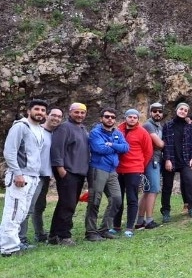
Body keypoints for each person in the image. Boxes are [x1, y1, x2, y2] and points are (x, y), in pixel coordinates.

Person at [2, 99, 49, 256]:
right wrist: (17, 173)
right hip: (20, 176)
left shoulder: (40, 130)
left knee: (22, 212)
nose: (40, 112)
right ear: (29, 111)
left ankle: (15, 243)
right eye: (37, 109)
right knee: (13, 212)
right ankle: (8, 248)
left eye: (43, 110)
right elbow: (10, 152)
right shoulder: (20, 127)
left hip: (33, 176)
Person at [49, 102, 90, 245]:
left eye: (82, 113)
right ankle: (64, 236)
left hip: (79, 172)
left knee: (64, 203)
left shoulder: (83, 129)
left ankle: (54, 235)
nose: (79, 115)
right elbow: (57, 148)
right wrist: (60, 169)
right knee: (68, 204)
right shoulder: (64, 128)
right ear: (70, 112)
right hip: (68, 172)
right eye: (76, 112)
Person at [85, 108, 129, 241]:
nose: (110, 119)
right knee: (94, 201)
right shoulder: (95, 133)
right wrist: (116, 146)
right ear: (101, 118)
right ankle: (91, 232)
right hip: (98, 169)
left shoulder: (117, 132)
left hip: (112, 171)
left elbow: (126, 148)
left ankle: (104, 229)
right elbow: (99, 148)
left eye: (113, 117)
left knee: (117, 199)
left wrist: (111, 144)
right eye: (107, 116)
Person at [22, 107, 60, 245]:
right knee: (28, 207)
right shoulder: (36, 130)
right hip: (33, 175)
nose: (56, 118)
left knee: (40, 207)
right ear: (47, 115)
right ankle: (21, 238)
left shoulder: (54, 134)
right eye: (53, 115)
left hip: (45, 175)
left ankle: (40, 234)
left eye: (59, 117)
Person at [113, 109, 152, 237]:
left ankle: (129, 227)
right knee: (117, 198)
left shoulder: (142, 132)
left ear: (138, 119)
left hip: (134, 170)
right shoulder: (118, 130)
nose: (132, 119)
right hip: (118, 169)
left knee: (132, 198)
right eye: (130, 117)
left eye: (135, 117)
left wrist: (140, 166)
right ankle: (116, 226)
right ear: (125, 118)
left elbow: (148, 152)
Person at [162, 103, 192, 221]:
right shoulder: (168, 125)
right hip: (171, 159)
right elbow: (165, 143)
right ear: (177, 110)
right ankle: (166, 211)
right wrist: (167, 159)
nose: (183, 111)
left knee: (189, 182)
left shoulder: (189, 126)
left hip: (185, 159)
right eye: (181, 109)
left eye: (186, 110)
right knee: (167, 186)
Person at [138, 103, 165, 230]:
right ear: (150, 112)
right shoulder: (148, 125)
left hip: (156, 160)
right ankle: (149, 220)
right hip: (151, 160)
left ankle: (139, 220)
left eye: (160, 111)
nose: (157, 113)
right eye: (154, 111)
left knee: (148, 191)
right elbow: (159, 143)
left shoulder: (158, 126)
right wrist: (169, 142)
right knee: (153, 189)